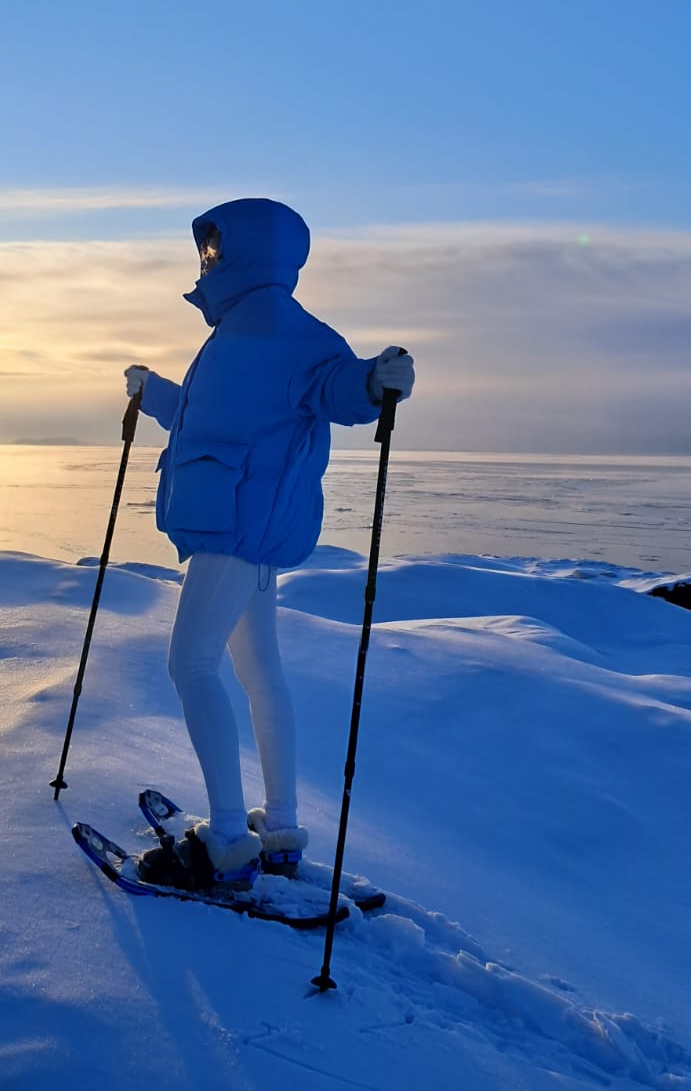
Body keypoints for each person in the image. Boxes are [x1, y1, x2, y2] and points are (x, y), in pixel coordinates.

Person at [124, 198, 414, 892]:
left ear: (253, 249)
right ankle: (278, 827)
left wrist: (376, 381)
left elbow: (338, 388)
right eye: (206, 249)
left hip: (235, 529)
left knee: (189, 664)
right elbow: (203, 420)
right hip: (235, 528)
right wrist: (155, 391)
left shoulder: (289, 331)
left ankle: (227, 841)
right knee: (258, 673)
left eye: (217, 248)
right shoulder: (235, 334)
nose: (207, 261)